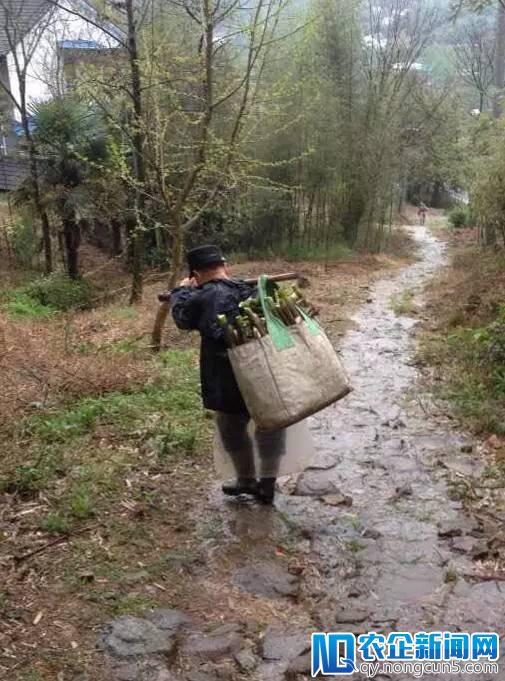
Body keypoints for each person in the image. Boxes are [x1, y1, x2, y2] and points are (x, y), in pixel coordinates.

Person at [171, 245, 286, 504]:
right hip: (264, 368)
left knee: (230, 427)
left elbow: (182, 318)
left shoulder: (201, 296)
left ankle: (246, 479)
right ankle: (267, 484)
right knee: (269, 425)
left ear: (196, 274)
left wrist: (181, 290)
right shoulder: (251, 289)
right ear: (225, 267)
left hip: (228, 376)